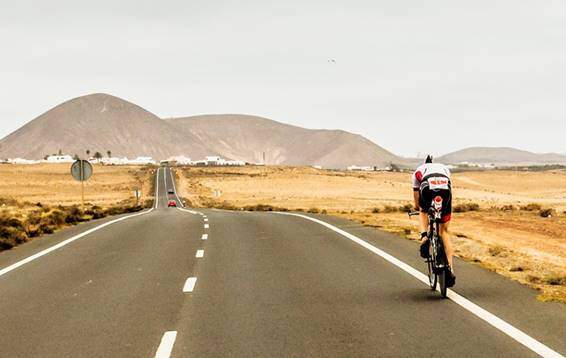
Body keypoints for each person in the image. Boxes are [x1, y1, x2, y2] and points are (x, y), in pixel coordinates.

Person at [412, 155, 456, 287]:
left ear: (424, 163)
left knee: (423, 210)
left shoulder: (418, 172)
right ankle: (450, 269)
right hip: (445, 187)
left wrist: (417, 207)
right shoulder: (444, 168)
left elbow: (416, 198)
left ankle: (425, 237)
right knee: (444, 231)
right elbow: (449, 187)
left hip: (426, 186)